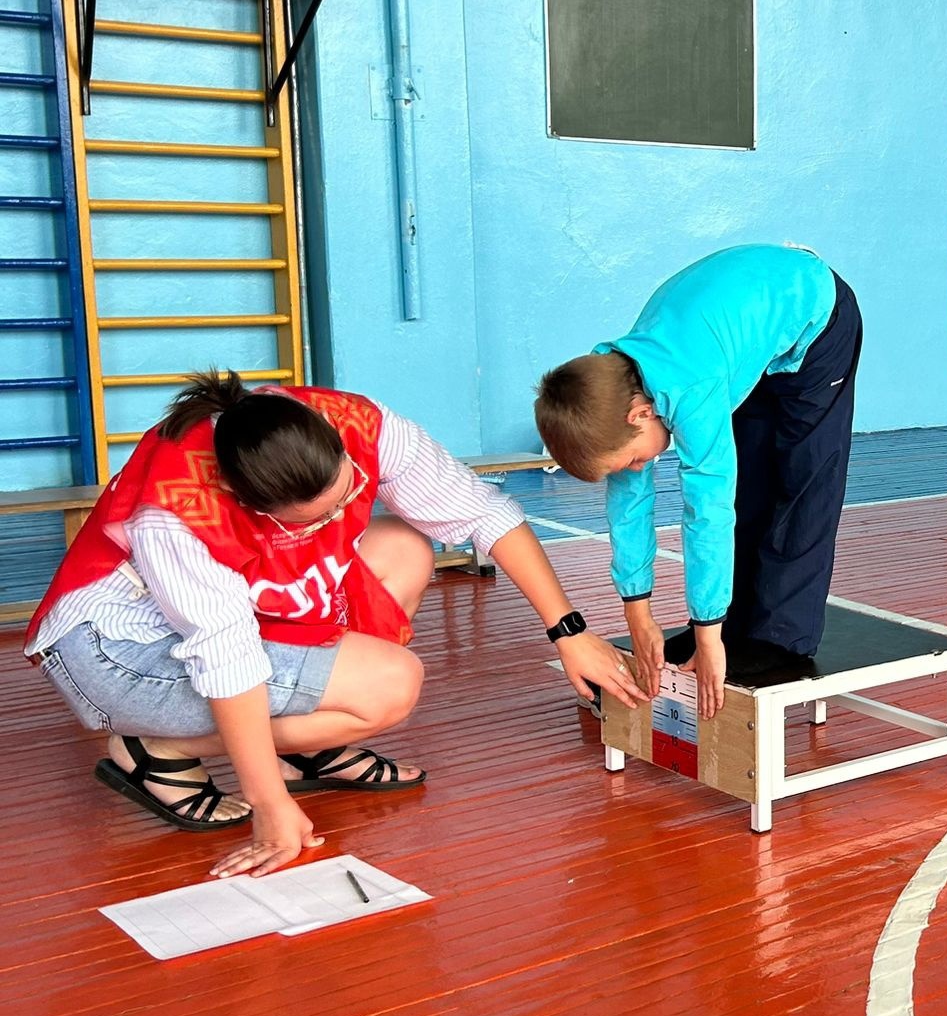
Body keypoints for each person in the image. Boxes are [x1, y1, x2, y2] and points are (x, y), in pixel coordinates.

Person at [24, 372, 643, 877]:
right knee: (390, 685)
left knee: (404, 547)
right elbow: (227, 657)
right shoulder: (180, 517)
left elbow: (483, 513)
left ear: (337, 445)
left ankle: (309, 745)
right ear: (249, 504)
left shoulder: (361, 424)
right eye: (314, 521)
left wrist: (570, 632)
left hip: (231, 611)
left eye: (347, 495)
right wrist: (269, 803)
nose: (341, 517)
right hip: (118, 652)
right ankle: (155, 749)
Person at [535, 243, 862, 721]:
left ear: (640, 414)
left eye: (630, 459)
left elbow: (707, 511)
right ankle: (731, 624)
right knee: (749, 482)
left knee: (803, 481)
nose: (634, 469)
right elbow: (628, 508)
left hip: (816, 315)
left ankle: (782, 635)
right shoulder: (610, 386)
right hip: (735, 330)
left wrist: (706, 636)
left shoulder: (691, 388)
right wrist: (638, 613)